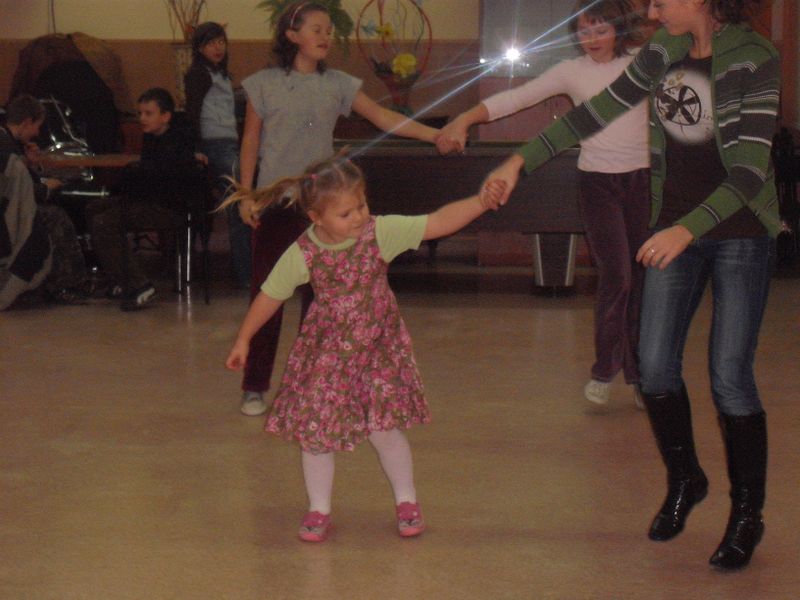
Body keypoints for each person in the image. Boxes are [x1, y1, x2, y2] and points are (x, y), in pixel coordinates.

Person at [483, 0, 780, 571]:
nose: (651, 9)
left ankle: (747, 514)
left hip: (738, 233)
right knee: (655, 365)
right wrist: (519, 161)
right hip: (674, 226)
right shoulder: (664, 51)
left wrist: (686, 231)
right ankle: (687, 478)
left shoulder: (754, 55)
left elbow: (749, 171)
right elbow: (594, 112)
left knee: (730, 377)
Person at [222, 154, 506, 541]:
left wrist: (481, 202)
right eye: (345, 213)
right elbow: (270, 294)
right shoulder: (303, 251)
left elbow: (437, 222)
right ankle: (318, 508)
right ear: (316, 217)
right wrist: (244, 338)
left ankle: (407, 501)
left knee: (384, 430)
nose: (358, 217)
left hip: (377, 350)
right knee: (316, 434)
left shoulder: (379, 232)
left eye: (361, 205)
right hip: (328, 354)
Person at [235, 1, 458, 417]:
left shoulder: (337, 83)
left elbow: (383, 116)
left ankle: (314, 382)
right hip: (275, 204)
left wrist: (433, 134)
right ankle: (254, 386)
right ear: (292, 35)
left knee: (322, 300)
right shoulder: (262, 84)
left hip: (320, 204)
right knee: (267, 292)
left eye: (328, 30)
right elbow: (250, 141)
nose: (325, 36)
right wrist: (247, 193)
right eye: (316, 29)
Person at [439, 0, 649, 408]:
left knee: (641, 278)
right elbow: (516, 99)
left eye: (601, 30)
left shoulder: (643, 61)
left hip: (642, 181)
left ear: (619, 29)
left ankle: (640, 374)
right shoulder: (572, 71)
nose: (591, 39)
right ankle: (605, 369)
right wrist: (465, 119)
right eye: (584, 31)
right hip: (598, 184)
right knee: (617, 275)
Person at [89, 88, 205, 311]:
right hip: (148, 201)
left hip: (169, 207)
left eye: (148, 113)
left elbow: (159, 181)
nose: (142, 118)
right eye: (140, 113)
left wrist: (134, 181)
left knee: (104, 222)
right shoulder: (151, 137)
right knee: (94, 208)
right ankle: (118, 280)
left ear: (166, 116)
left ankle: (139, 284)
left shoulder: (177, 142)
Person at [0, 94, 89, 305]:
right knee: (56, 217)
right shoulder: (6, 149)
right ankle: (67, 284)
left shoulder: (8, 142)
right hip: (9, 214)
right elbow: (25, 193)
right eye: (36, 126)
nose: (37, 133)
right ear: (26, 122)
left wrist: (32, 165)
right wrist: (49, 187)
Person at [184, 21, 251, 289]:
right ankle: (246, 273)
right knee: (240, 201)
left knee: (241, 203)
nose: (218, 47)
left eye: (221, 42)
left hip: (229, 142)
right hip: (214, 144)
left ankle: (245, 270)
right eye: (211, 43)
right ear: (200, 47)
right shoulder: (198, 74)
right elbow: (193, 111)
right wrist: (197, 147)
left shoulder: (221, 74)